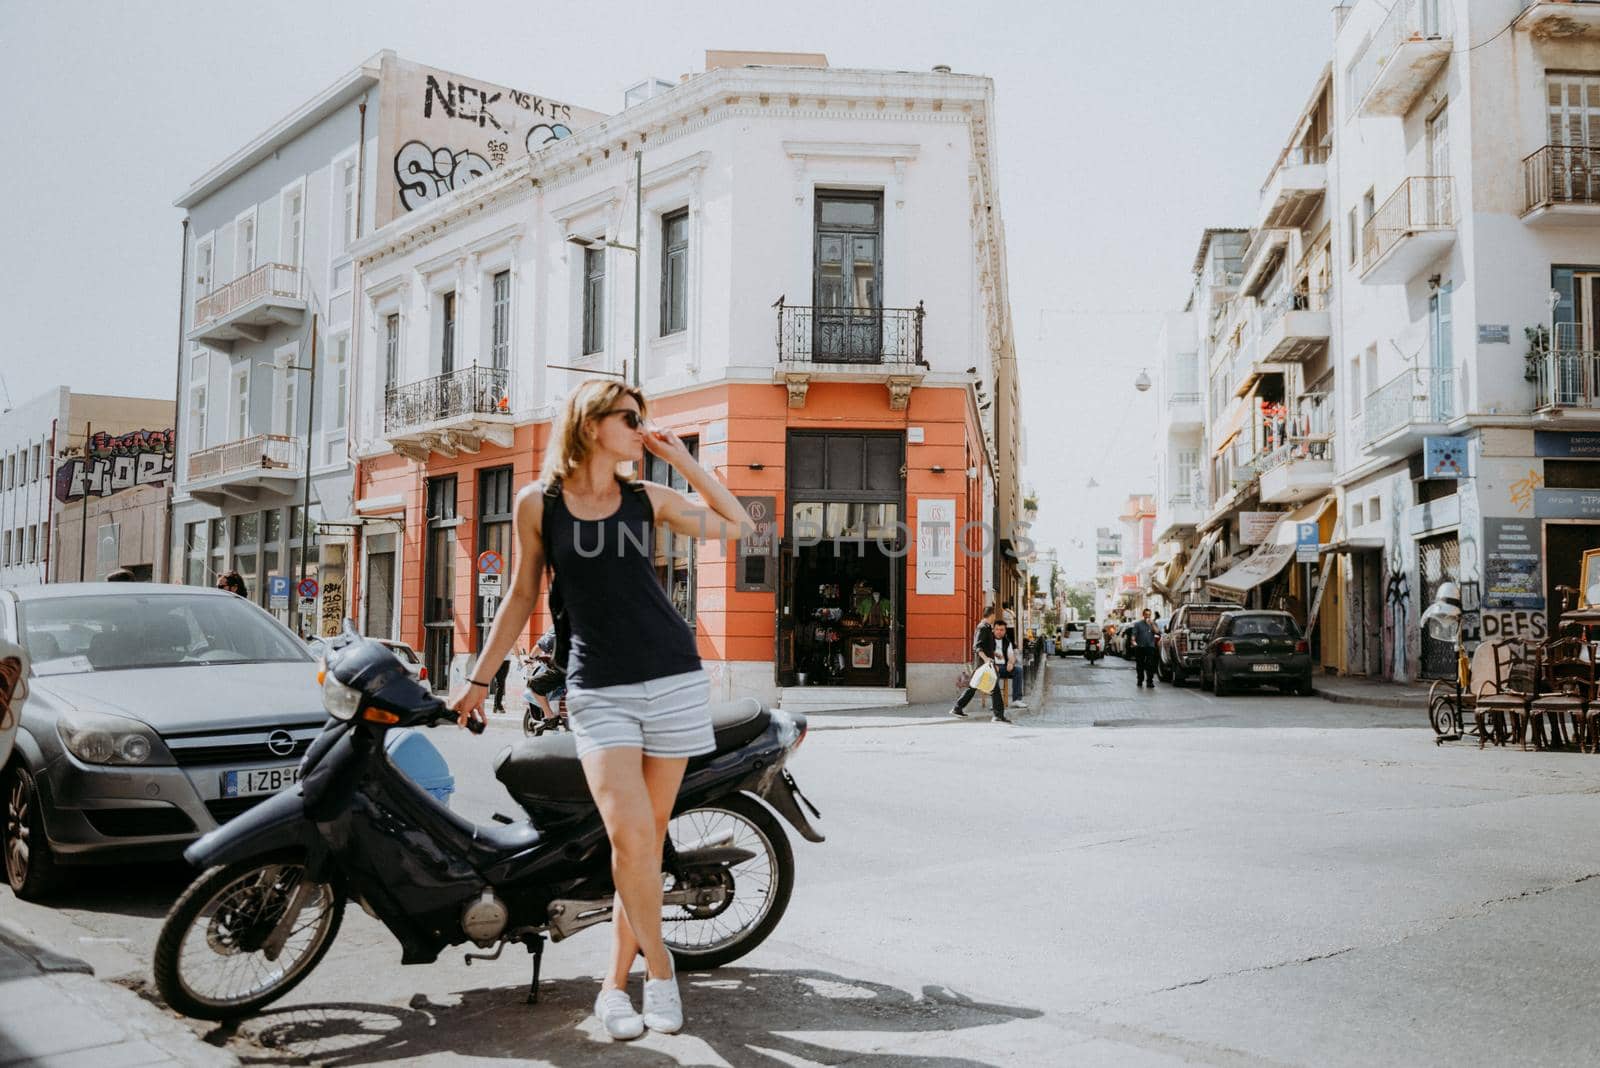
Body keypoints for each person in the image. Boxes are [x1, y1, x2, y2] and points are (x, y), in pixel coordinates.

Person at [448, 379, 754, 1041]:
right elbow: (522, 597)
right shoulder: (541, 504)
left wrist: (684, 461)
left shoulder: (647, 498)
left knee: (641, 853)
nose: (640, 428)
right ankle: (663, 969)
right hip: (598, 689)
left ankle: (616, 986)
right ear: (591, 424)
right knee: (630, 838)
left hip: (672, 676)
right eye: (630, 418)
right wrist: (479, 679)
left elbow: (739, 525)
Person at [951, 604, 1008, 723]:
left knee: (974, 686)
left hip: (985, 664)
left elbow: (986, 646)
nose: (994, 618)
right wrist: (987, 659)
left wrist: (994, 655)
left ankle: (958, 708)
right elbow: (977, 647)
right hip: (983, 664)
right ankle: (998, 715)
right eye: (994, 616)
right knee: (993, 687)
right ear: (991, 615)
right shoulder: (982, 627)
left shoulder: (987, 627)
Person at [993, 620, 1026, 710]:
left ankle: (1016, 700)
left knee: (1018, 670)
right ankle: (995, 702)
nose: (999, 632)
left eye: (1001, 630)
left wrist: (1011, 662)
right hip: (992, 667)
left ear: (1005, 631)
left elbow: (1011, 655)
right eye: (997, 629)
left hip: (1003, 667)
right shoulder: (989, 640)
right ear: (994, 630)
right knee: (994, 671)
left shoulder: (1007, 642)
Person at [1130, 608, 1160, 688]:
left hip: (1150, 647)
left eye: (1149, 615)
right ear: (1143, 615)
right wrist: (1133, 641)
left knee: (1150, 664)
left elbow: (1157, 632)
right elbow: (1134, 634)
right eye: (1146, 614)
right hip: (1140, 647)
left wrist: (1152, 624)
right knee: (1140, 664)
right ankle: (1140, 679)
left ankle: (1149, 681)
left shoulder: (1153, 624)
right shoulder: (1138, 624)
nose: (1148, 616)